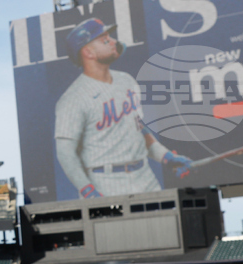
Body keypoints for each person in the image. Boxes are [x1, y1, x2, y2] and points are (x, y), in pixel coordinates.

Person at [54, 18, 192, 199]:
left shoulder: (126, 80)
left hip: (145, 177)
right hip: (104, 181)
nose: (113, 42)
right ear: (88, 52)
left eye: (109, 37)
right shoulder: (73, 98)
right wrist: (87, 189)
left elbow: (138, 128)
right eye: (104, 39)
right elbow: (65, 152)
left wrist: (165, 156)